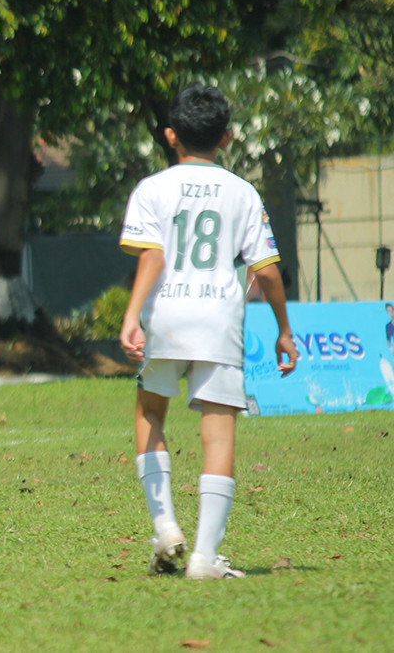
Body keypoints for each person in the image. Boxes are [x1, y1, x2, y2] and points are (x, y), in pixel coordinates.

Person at [118, 83, 298, 580]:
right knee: (217, 434)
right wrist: (284, 330)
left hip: (167, 320)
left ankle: (165, 526)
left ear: (171, 135)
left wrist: (132, 315)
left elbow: (152, 256)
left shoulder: (152, 189)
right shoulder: (243, 191)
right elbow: (266, 271)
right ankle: (203, 557)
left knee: (151, 412)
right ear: (226, 138)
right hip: (219, 321)